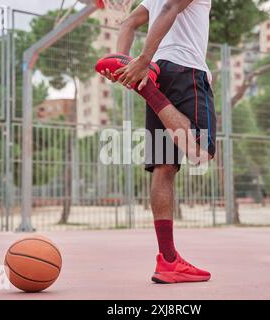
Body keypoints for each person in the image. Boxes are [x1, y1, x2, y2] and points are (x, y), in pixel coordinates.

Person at [100, 0, 216, 284]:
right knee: (201, 150)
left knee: (164, 168)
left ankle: (168, 260)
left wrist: (122, 63)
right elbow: (169, 9)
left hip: (159, 71)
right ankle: (149, 91)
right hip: (184, 69)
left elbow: (128, 23)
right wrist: (140, 61)